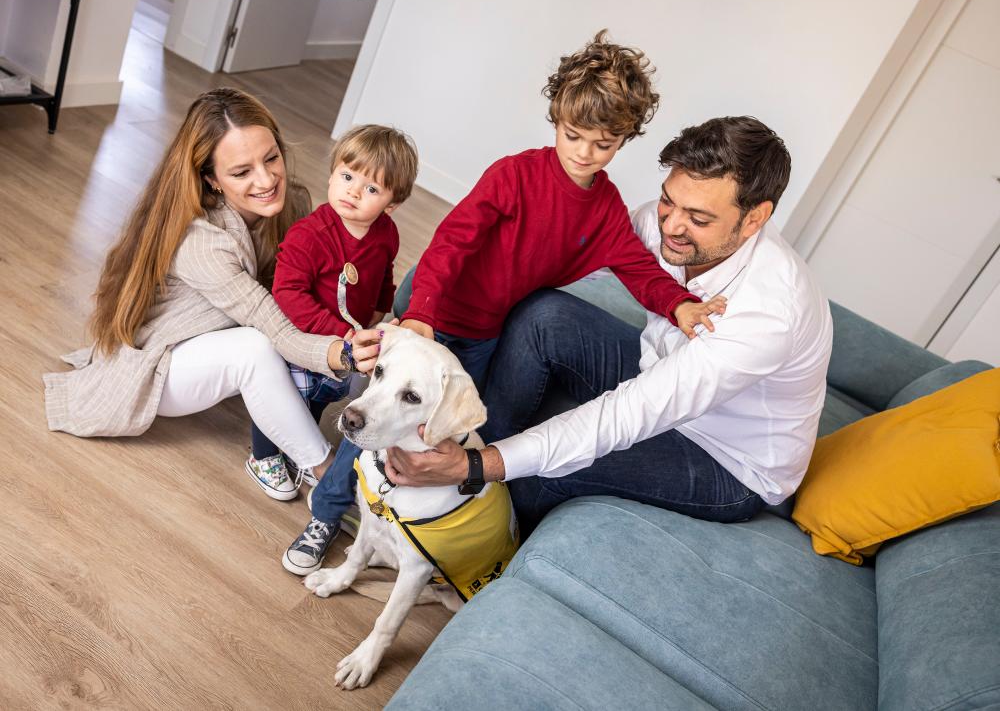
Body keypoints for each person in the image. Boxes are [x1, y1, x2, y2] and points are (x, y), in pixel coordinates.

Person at [383, 116, 834, 537]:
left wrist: (478, 467)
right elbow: (568, 254)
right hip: (655, 372)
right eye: (667, 201)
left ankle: (468, 517)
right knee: (542, 313)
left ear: (755, 218)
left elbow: (632, 412)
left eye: (698, 219)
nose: (672, 226)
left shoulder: (768, 314)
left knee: (545, 473)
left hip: (725, 458)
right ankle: (473, 439)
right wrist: (427, 302)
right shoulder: (662, 226)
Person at [43, 88, 381, 502]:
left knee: (322, 357)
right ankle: (327, 473)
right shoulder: (203, 241)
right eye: (241, 172)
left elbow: (306, 288)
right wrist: (342, 353)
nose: (266, 180)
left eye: (271, 158)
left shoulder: (293, 201)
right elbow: (269, 320)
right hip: (166, 365)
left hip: (226, 335)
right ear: (211, 180)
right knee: (255, 349)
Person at [398, 30, 724, 396]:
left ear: (624, 139)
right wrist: (420, 310)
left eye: (603, 145)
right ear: (556, 120)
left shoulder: (607, 210)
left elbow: (639, 269)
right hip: (436, 312)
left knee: (442, 429)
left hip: (484, 336)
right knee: (386, 412)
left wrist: (678, 303)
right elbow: (452, 242)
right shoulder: (513, 175)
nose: (584, 154)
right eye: (573, 136)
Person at [261, 124, 419, 575]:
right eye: (347, 177)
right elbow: (287, 293)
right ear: (332, 175)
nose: (353, 192)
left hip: (350, 335)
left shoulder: (385, 233)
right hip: (306, 333)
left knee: (328, 394)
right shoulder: (310, 235)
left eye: (371, 188)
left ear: (391, 202)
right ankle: (265, 452)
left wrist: (384, 309)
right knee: (292, 391)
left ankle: (303, 443)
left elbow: (383, 273)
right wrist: (337, 336)